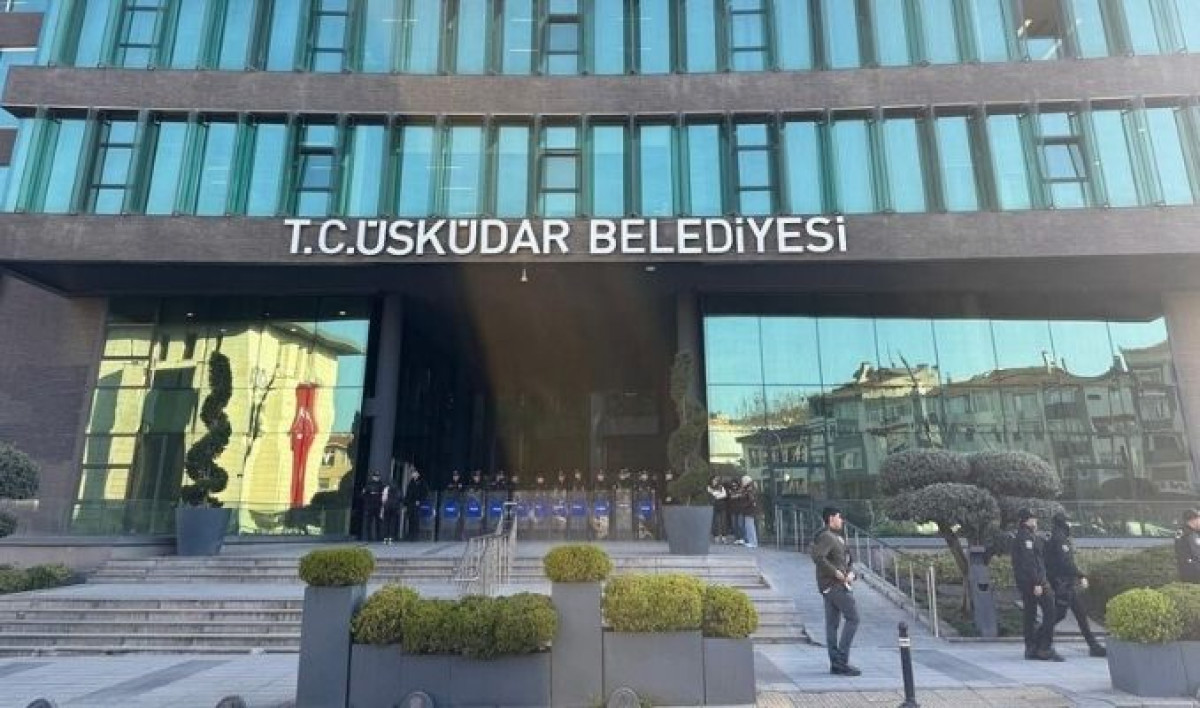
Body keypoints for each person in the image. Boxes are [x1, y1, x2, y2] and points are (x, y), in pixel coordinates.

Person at [1045, 511, 1106, 657]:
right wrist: (1080, 575)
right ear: (1063, 523)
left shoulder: (1058, 537)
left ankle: (1093, 645)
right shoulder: (1060, 539)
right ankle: (1040, 636)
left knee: (1080, 613)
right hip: (1063, 583)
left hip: (1064, 582)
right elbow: (1066, 563)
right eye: (1068, 521)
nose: (1070, 524)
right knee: (1060, 614)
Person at [811, 507, 860, 676]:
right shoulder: (827, 537)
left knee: (832, 624)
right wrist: (836, 573)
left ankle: (836, 663)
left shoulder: (838, 537)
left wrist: (851, 573)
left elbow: (848, 560)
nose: (842, 520)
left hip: (834, 585)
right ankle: (841, 659)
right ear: (831, 518)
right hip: (835, 585)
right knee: (853, 618)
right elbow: (818, 557)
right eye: (839, 517)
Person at [1012, 508, 1063, 661]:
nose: (1036, 521)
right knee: (1050, 611)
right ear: (1026, 520)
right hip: (1034, 582)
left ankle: (1031, 647)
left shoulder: (1028, 536)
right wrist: (1037, 582)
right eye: (1033, 518)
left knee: (1030, 613)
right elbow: (1029, 563)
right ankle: (1044, 647)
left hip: (1028, 582)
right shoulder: (1025, 538)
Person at [403, 467, 428, 541]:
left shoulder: (422, 482)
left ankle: (415, 536)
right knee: (410, 519)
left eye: (415, 473)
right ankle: (410, 535)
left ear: (418, 474)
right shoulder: (411, 482)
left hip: (417, 503)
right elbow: (408, 494)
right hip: (410, 504)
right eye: (412, 473)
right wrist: (405, 504)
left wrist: (420, 500)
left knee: (416, 520)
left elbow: (425, 493)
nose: (413, 474)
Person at [360, 471, 385, 542]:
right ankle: (369, 537)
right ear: (373, 477)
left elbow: (384, 495)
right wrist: (367, 500)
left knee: (378, 522)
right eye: (375, 476)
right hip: (370, 505)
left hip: (378, 505)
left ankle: (378, 537)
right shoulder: (368, 485)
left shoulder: (381, 485)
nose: (376, 478)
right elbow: (363, 494)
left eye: (378, 476)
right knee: (369, 522)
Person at [1176, 509, 1200, 583]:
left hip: (1188, 572)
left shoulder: (1184, 531)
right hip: (1194, 574)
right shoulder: (1188, 534)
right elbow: (1196, 554)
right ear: (1193, 519)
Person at [738, 475, 759, 548]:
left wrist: (744, 505)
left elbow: (751, 500)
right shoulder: (750, 488)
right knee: (749, 526)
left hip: (749, 510)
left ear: (746, 481)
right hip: (750, 510)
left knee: (750, 526)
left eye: (743, 481)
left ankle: (753, 542)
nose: (742, 483)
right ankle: (752, 541)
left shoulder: (749, 489)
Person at [707, 475, 729, 543]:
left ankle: (724, 537)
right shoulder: (709, 487)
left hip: (722, 506)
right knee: (716, 522)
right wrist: (718, 494)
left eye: (716, 480)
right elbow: (712, 494)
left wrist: (717, 495)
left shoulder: (721, 486)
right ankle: (716, 536)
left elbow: (725, 495)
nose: (715, 481)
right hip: (714, 506)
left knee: (723, 521)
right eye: (714, 480)